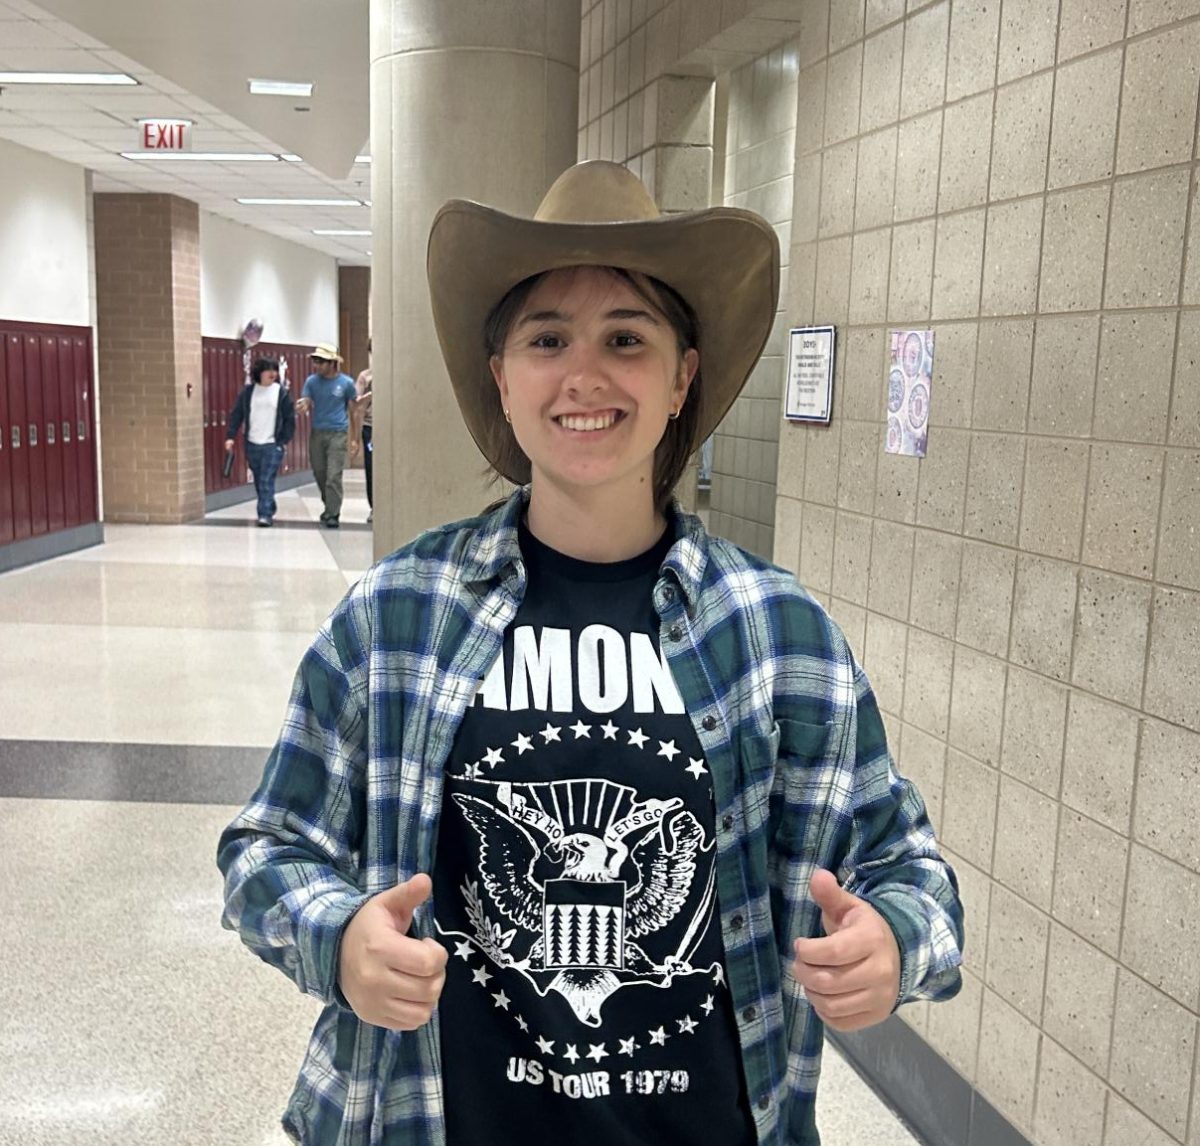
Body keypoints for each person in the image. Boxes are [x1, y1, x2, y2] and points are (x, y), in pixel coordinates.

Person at [218, 160, 964, 1145]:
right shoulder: (398, 616)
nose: (585, 373)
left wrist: (894, 942)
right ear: (502, 376)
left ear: (680, 376)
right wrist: (338, 936)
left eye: (626, 338)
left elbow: (909, 868)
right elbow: (264, 848)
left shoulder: (776, 635)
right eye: (547, 338)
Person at [224, 356, 295, 527]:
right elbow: (237, 415)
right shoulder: (248, 393)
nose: (273, 374)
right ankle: (269, 504)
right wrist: (230, 436)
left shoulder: (281, 393)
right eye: (268, 370)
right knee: (259, 480)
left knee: (265, 479)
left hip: (272, 444)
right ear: (259, 373)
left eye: (275, 370)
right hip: (252, 443)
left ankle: (264, 515)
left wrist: (283, 441)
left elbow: (289, 419)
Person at [295, 342, 356, 528]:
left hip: (338, 433)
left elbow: (353, 410)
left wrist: (355, 438)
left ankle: (333, 514)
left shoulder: (346, 383)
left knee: (333, 476)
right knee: (320, 473)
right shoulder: (311, 382)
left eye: (321, 361)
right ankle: (329, 505)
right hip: (317, 433)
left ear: (332, 363)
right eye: (316, 361)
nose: (317, 365)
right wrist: (303, 406)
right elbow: (306, 399)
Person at [350, 337, 374, 523]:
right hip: (371, 428)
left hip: (392, 428)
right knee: (371, 467)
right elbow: (355, 401)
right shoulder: (365, 376)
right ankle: (374, 506)